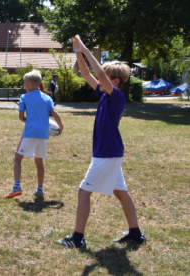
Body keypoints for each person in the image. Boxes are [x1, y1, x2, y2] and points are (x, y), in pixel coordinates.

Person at [56, 35, 145, 248]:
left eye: (105, 78)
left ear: (114, 82)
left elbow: (97, 72)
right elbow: (86, 73)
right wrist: (77, 51)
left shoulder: (117, 97)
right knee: (121, 192)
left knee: (83, 191)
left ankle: (77, 238)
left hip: (107, 153)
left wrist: (86, 49)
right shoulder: (104, 94)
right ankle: (135, 234)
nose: (100, 80)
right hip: (109, 152)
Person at [4, 70, 63, 199]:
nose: (24, 86)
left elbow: (21, 117)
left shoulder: (24, 97)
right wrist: (61, 127)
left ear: (31, 84)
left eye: (25, 83)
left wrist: (29, 122)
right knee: (39, 161)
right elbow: (55, 113)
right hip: (43, 133)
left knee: (17, 158)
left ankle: (16, 187)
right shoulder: (47, 98)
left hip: (30, 132)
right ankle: (40, 189)